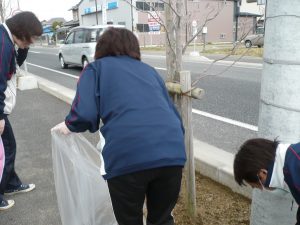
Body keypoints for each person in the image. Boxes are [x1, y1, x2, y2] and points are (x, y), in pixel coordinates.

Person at [53, 27, 186, 225]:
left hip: (127, 157)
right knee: (162, 220)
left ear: (101, 48)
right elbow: (173, 114)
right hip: (172, 154)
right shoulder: (149, 71)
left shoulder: (95, 69)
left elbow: (85, 113)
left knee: (129, 220)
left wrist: (69, 125)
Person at [0, 11, 43, 211]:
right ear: (22, 31)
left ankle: (10, 183)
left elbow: (15, 64)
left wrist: (23, 47)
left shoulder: (7, 40)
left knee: (8, 148)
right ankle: (3, 189)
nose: (32, 42)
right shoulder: (3, 44)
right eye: (31, 38)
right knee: (7, 150)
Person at [234, 138, 300, 224]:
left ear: (263, 173)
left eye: (258, 186)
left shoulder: (295, 169)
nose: (262, 189)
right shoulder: (291, 163)